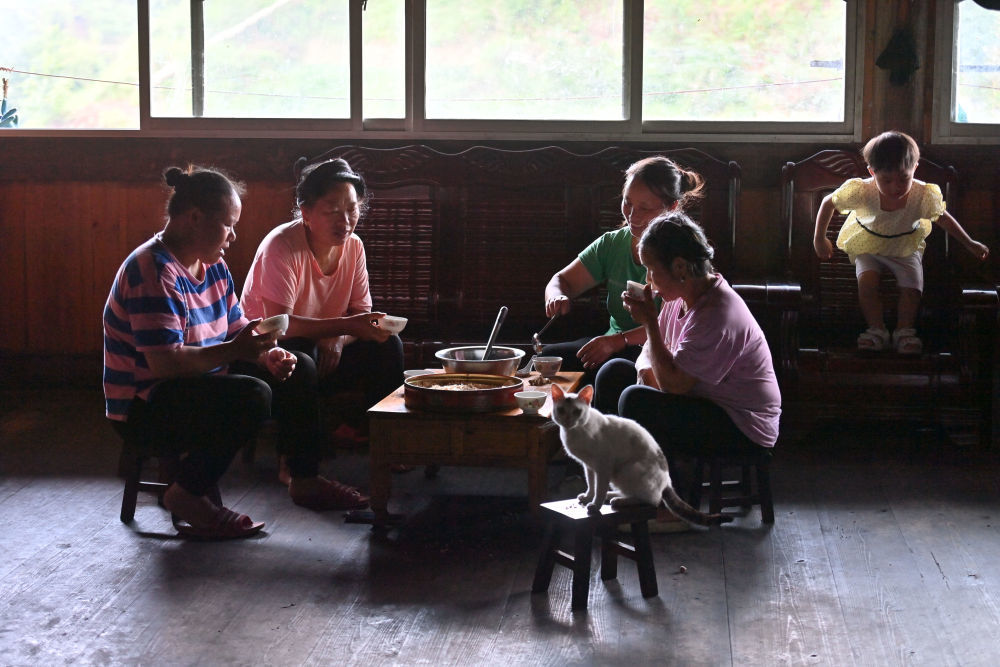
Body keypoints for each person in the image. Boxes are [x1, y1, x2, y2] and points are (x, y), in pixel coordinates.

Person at [103, 165, 369, 540]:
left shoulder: (212, 267)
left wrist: (266, 354)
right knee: (251, 395)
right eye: (228, 225)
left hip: (197, 382)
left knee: (299, 368)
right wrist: (237, 350)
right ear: (194, 219)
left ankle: (305, 479)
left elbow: (237, 326)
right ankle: (187, 493)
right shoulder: (152, 271)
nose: (233, 236)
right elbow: (164, 362)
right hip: (146, 405)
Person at [593, 211, 781, 529]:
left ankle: (668, 507)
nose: (648, 282)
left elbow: (676, 385)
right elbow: (649, 357)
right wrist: (646, 371)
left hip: (742, 423)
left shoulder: (717, 313)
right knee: (613, 374)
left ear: (679, 267)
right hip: (703, 399)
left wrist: (649, 324)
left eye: (652, 271)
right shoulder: (679, 298)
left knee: (637, 400)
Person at [240, 157, 403, 448]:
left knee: (387, 343)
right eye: (332, 212)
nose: (345, 222)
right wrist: (339, 329)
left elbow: (362, 314)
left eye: (352, 210)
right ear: (306, 212)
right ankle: (296, 462)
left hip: (326, 349)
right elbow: (280, 328)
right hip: (270, 357)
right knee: (301, 356)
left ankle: (382, 442)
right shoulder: (283, 246)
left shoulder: (354, 246)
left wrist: (339, 337)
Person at [813, 130, 990, 354]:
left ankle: (904, 331)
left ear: (914, 169)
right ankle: (875, 330)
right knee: (867, 283)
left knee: (913, 287)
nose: (895, 187)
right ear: (872, 172)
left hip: (905, 246)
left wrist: (969, 242)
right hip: (867, 243)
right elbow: (828, 203)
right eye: (886, 180)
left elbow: (943, 219)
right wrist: (819, 238)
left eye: (903, 178)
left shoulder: (922, 195)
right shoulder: (861, 191)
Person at [542, 156, 704, 386]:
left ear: (672, 207)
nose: (632, 215)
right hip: (612, 342)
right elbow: (561, 281)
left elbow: (676, 325)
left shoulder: (683, 255)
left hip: (658, 351)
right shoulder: (612, 244)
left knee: (611, 374)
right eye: (628, 203)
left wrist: (621, 341)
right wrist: (557, 296)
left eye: (645, 208)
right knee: (547, 360)